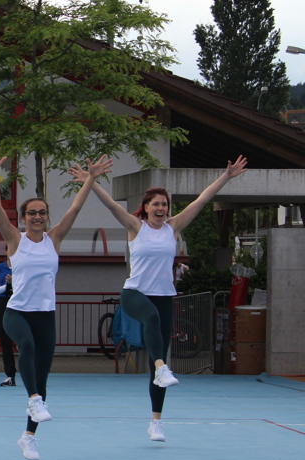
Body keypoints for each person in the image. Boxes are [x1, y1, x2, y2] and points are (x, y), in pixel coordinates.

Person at [78, 155, 247, 443]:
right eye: (155, 204)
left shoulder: (173, 228)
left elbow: (202, 200)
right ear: (145, 208)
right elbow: (110, 204)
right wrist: (91, 179)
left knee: (161, 358)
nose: (161, 208)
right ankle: (160, 366)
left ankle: (156, 421)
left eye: (164, 204)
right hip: (135, 294)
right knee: (153, 325)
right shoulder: (136, 227)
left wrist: (226, 176)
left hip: (164, 296)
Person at [0, 146, 111, 460]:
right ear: (24, 218)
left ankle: (28, 437)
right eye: (32, 213)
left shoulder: (54, 240)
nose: (38, 217)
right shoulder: (16, 240)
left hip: (46, 315)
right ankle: (32, 398)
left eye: (42, 212)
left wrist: (91, 178)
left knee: (42, 377)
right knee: (25, 347)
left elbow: (76, 208)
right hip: (17, 312)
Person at [0, 250, 16, 387]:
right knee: (4, 338)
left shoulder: (22, 267)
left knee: (26, 340)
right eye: (10, 249)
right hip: (3, 302)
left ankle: (34, 373)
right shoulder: (0, 267)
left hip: (19, 302)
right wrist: (7, 285)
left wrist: (15, 282)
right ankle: (10, 375)